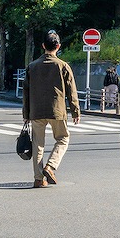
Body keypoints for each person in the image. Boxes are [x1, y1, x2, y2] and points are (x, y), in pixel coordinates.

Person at [22, 31, 80, 188]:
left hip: (36, 111)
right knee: (63, 138)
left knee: (37, 145)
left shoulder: (32, 67)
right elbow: (71, 91)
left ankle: (39, 178)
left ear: (43, 46)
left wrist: (26, 114)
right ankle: (51, 166)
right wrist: (75, 111)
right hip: (57, 110)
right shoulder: (63, 66)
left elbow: (26, 92)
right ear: (58, 47)